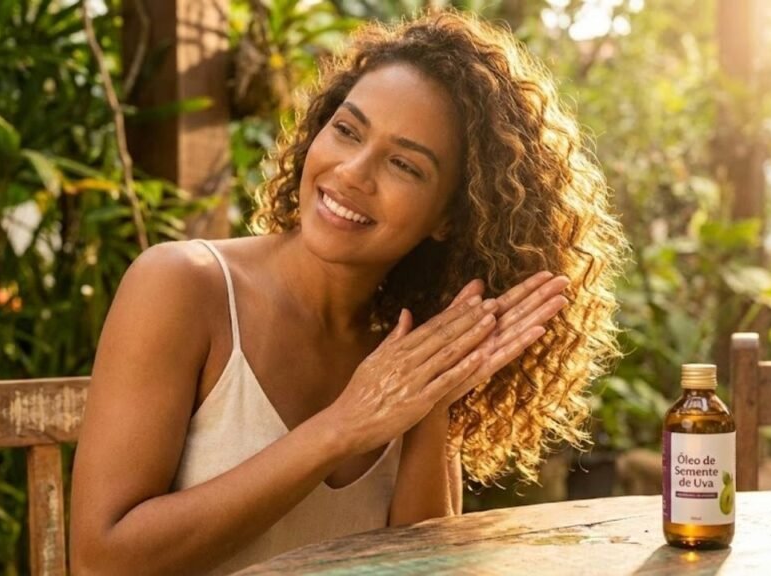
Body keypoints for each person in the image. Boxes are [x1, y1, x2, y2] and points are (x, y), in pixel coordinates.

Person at [69, 9, 624, 575]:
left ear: (450, 218)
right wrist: (343, 427)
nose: (354, 173)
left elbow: (423, 565)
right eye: (347, 130)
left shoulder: (404, 350)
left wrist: (431, 398)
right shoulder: (183, 287)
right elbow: (101, 561)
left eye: (404, 164)